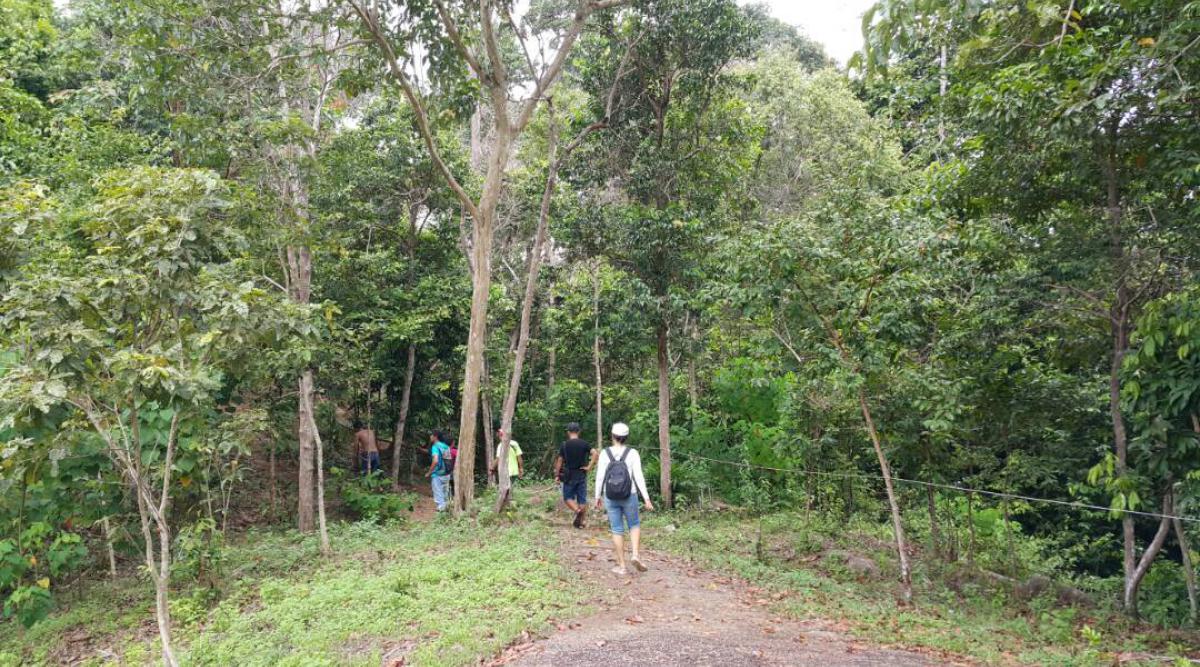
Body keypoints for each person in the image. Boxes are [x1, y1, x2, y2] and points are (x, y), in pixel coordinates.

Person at [594, 422, 653, 575]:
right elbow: (638, 476)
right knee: (634, 524)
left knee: (617, 529)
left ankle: (622, 566)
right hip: (630, 494)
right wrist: (646, 498)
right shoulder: (632, 453)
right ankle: (635, 555)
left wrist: (597, 496)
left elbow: (600, 477)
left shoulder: (605, 453)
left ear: (612, 436)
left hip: (610, 495)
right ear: (626, 437)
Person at [554, 422, 595, 528]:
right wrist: (589, 467)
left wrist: (557, 474)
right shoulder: (584, 443)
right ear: (579, 431)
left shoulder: (565, 445)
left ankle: (577, 511)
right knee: (582, 499)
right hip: (582, 473)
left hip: (569, 475)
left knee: (567, 497)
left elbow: (560, 460)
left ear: (568, 432)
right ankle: (582, 522)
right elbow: (595, 453)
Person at [426, 431, 452, 512]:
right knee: (445, 494)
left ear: (435, 436)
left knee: (438, 495)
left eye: (431, 435)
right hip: (447, 473)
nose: (430, 437)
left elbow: (435, 460)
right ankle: (447, 511)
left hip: (438, 474)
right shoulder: (446, 446)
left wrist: (429, 472)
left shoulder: (435, 447)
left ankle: (441, 513)